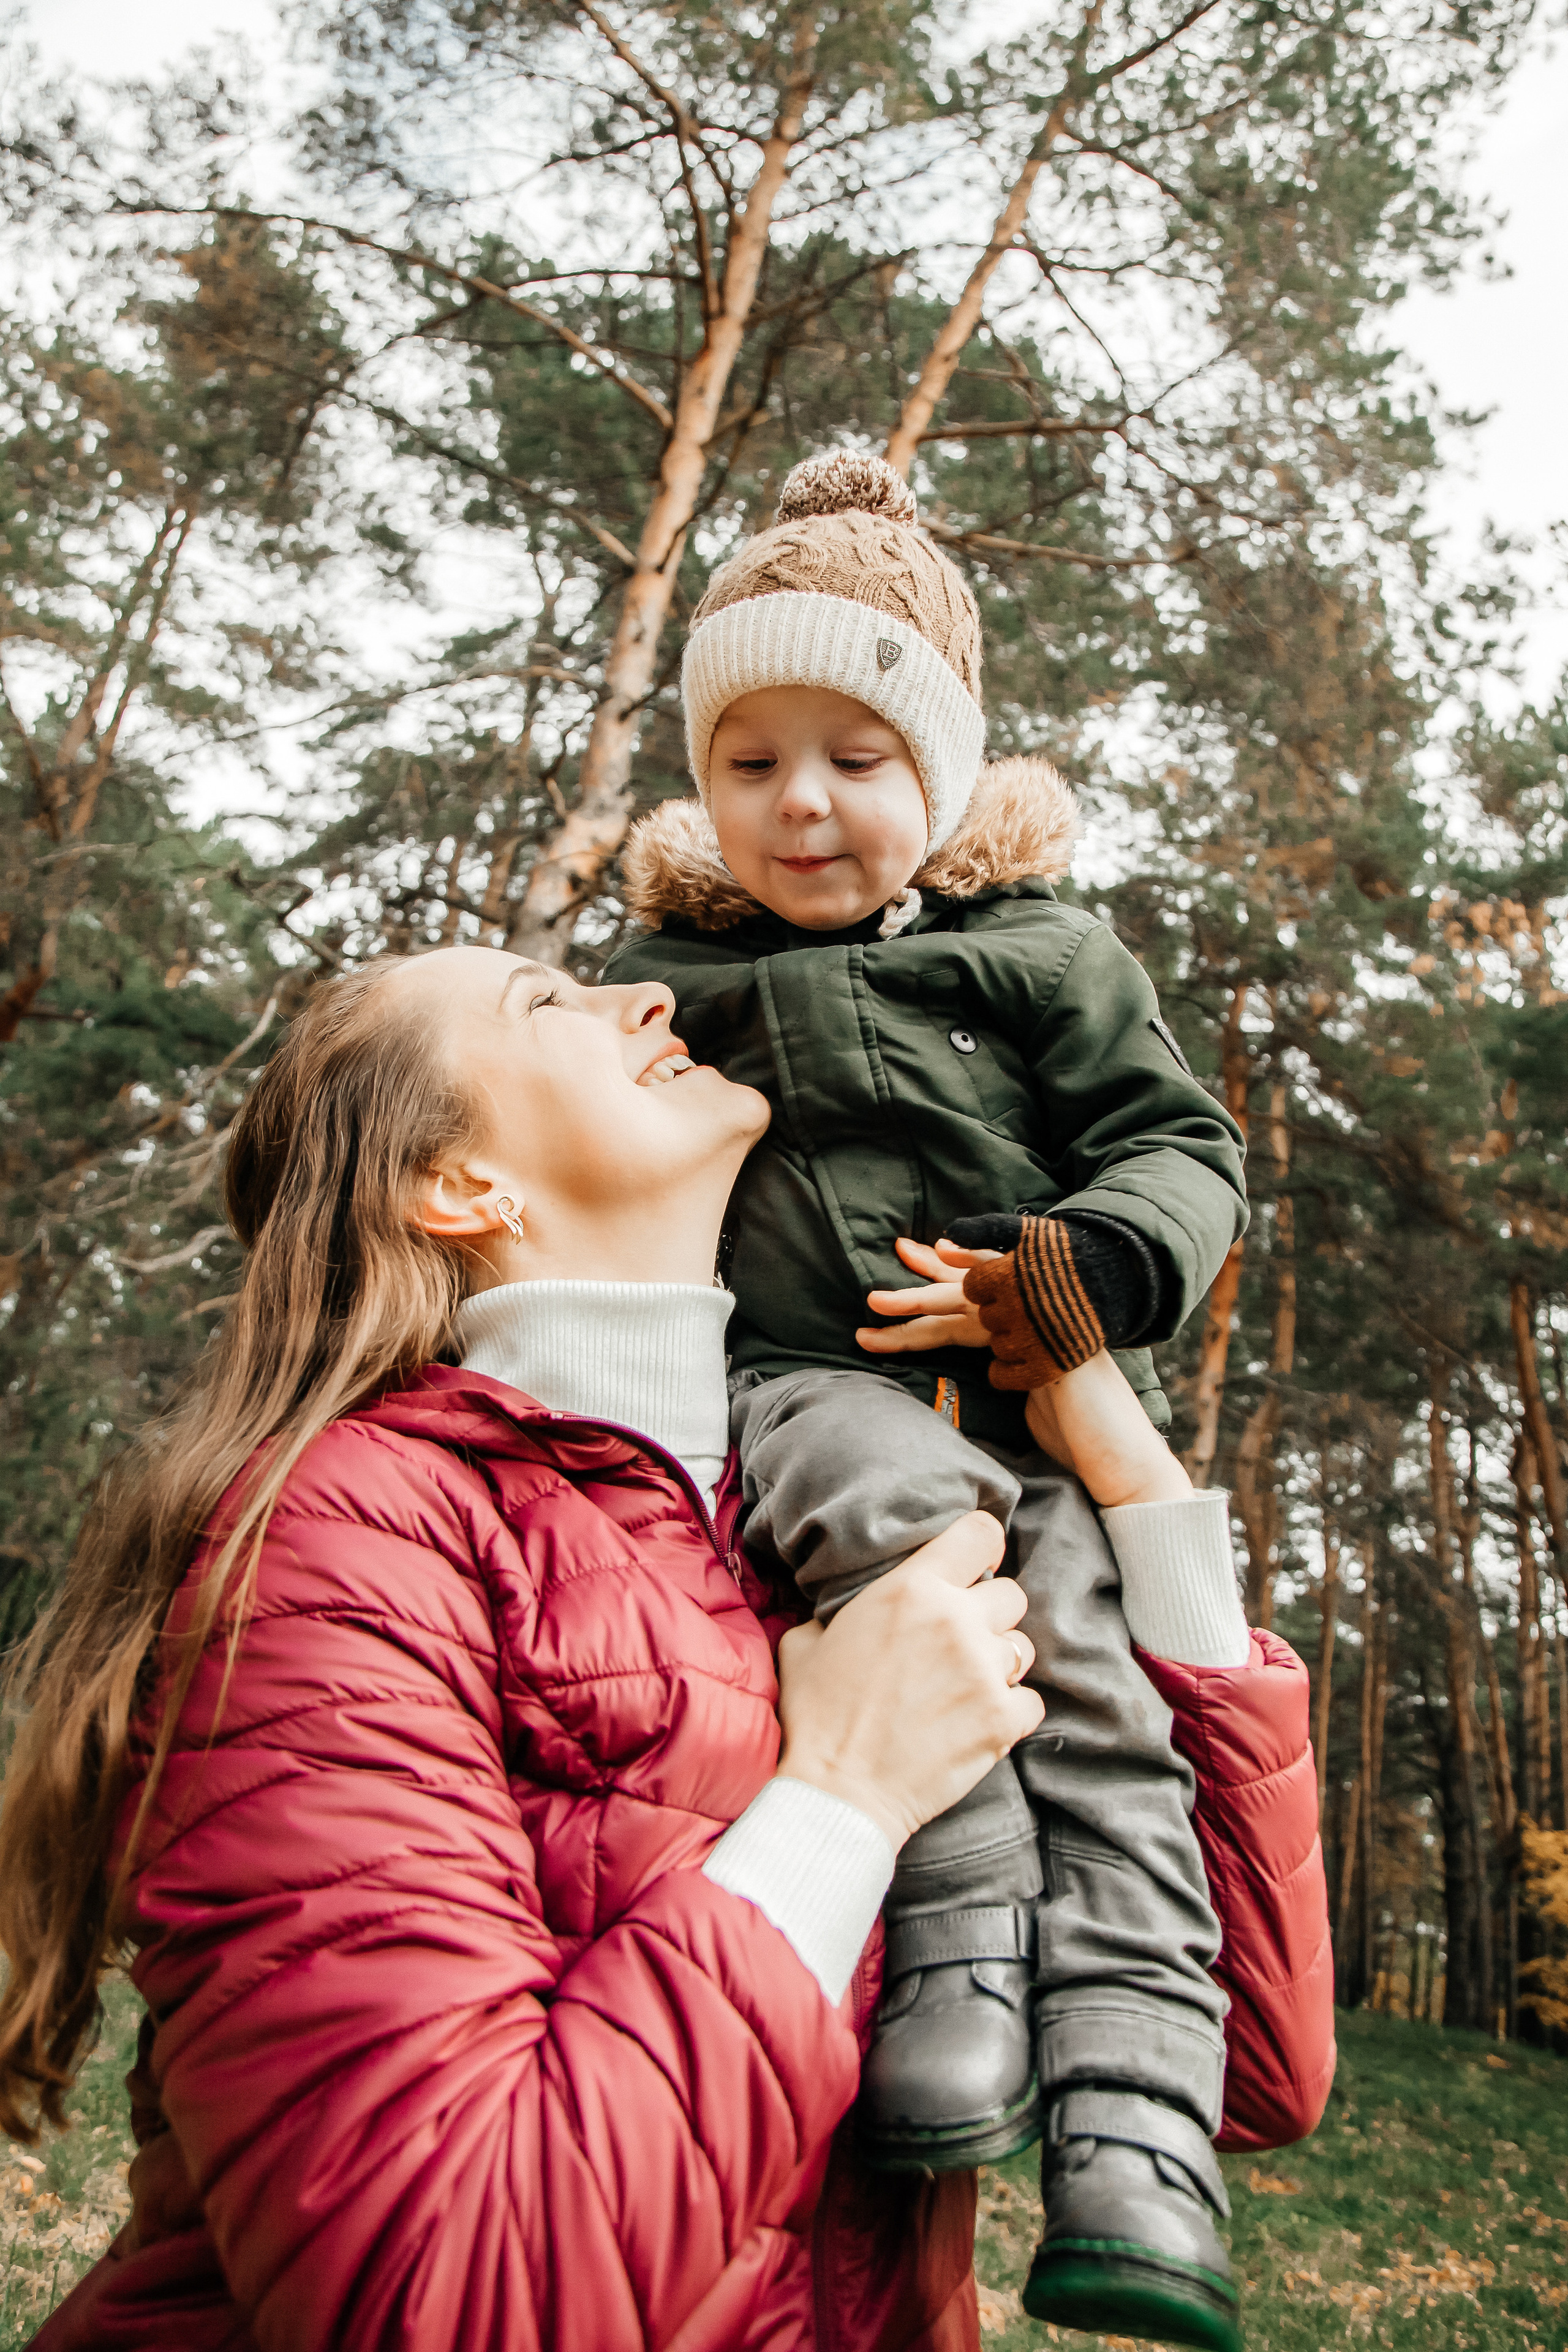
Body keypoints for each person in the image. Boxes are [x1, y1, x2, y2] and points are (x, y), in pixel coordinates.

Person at [0, 948, 1330, 2352]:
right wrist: (845, 1800)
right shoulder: (349, 1533)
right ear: (462, 1189)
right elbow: (439, 2300)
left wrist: (1138, 1495)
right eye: (543, 1004)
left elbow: (1244, 2070)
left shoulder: (817, 1523)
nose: (648, 1001)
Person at [606, 451, 1257, 2345]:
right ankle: (962, 1943)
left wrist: (1090, 1269)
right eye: (750, 759)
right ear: (704, 782)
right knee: (917, 1535)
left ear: (947, 773)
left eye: (857, 756)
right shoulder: (669, 972)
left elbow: (1177, 1141)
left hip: (1032, 1401)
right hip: (800, 1390)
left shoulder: (1048, 952)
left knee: (1107, 1693)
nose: (800, 802)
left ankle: (1141, 2130)